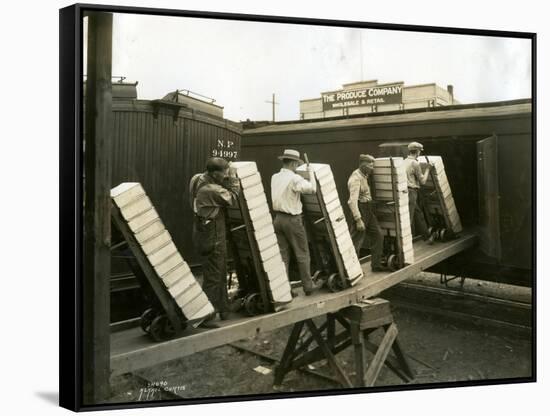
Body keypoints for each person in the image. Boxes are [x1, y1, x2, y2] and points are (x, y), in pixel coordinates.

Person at [190, 157, 240, 326]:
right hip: (213, 236)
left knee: (220, 271)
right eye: (224, 173)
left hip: (204, 231)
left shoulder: (197, 179)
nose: (226, 176)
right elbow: (233, 198)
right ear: (214, 173)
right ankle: (205, 316)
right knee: (213, 276)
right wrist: (233, 178)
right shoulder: (211, 189)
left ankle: (224, 309)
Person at [271, 149, 322, 296]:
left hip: (278, 220)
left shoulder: (275, 177)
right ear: (293, 163)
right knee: (302, 253)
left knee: (283, 256)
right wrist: (310, 172)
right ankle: (308, 286)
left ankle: (284, 290)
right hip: (293, 220)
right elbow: (312, 189)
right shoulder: (294, 179)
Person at [347, 154, 384, 272]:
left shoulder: (364, 175)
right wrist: (358, 219)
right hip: (361, 210)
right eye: (370, 166)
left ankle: (376, 265)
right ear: (363, 165)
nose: (372, 168)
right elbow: (352, 202)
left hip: (368, 210)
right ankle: (352, 271)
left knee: (378, 235)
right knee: (356, 243)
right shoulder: (355, 178)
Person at [403, 141, 434, 244]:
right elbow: (423, 181)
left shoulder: (405, 161)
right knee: (410, 218)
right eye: (420, 151)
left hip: (406, 192)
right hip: (412, 192)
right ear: (417, 151)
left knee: (418, 213)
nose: (420, 153)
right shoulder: (415, 163)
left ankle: (427, 236)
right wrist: (428, 169)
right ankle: (405, 244)